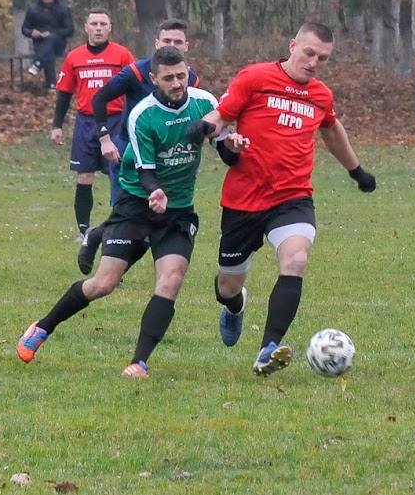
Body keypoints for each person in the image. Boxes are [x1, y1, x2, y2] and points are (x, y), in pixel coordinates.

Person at [18, 46, 248, 377]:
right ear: (154, 79)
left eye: (181, 75)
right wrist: (154, 192)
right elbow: (145, 171)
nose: (177, 83)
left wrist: (233, 146)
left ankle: (139, 362)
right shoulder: (143, 114)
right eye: (168, 78)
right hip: (137, 205)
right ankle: (42, 327)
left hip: (178, 211)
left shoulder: (205, 103)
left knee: (171, 280)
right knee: (104, 283)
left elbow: (223, 150)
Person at [187, 22, 377, 377]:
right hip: (243, 201)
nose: (314, 63)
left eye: (322, 58)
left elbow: (332, 131)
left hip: (292, 197)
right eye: (309, 53)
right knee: (227, 286)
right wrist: (203, 128)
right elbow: (222, 116)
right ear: (292, 45)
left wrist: (356, 171)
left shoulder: (321, 95)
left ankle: (268, 348)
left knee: (296, 259)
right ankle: (234, 307)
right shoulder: (255, 78)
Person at [76, 19, 202, 274]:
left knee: (147, 212)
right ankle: (109, 265)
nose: (172, 45)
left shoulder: (189, 80)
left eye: (177, 42)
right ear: (156, 44)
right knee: (125, 210)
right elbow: (100, 98)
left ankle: (97, 236)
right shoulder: (136, 72)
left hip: (166, 159)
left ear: (187, 47)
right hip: (129, 156)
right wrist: (105, 138)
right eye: (166, 41)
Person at [51, 8, 135, 242]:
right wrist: (57, 125)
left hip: (116, 120)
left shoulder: (122, 55)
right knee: (84, 176)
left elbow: (136, 87)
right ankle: (84, 231)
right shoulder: (74, 57)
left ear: (110, 28)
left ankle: (118, 228)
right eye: (94, 24)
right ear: (86, 28)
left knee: (118, 175)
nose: (98, 28)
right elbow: (64, 93)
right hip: (86, 123)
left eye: (103, 24)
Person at [21, 0, 75, 90]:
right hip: (40, 44)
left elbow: (70, 30)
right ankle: (51, 85)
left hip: (58, 44)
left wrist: (52, 33)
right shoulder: (33, 9)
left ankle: (37, 63)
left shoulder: (63, 9)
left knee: (52, 39)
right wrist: (32, 33)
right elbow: (24, 29)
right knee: (48, 53)